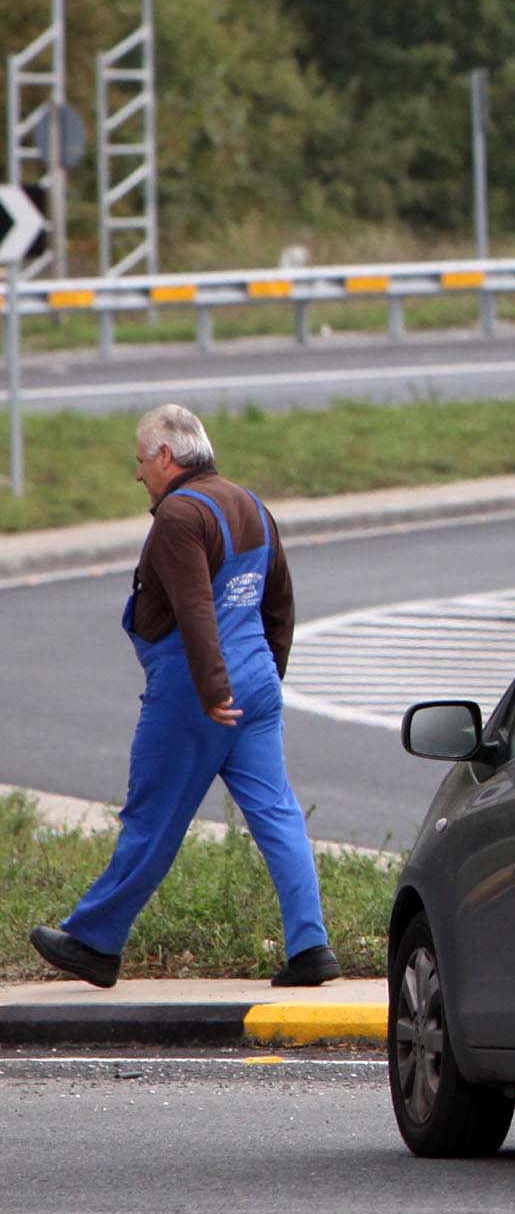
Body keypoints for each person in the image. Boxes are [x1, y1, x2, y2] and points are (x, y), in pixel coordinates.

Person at [27, 405, 335, 990]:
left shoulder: (178, 515)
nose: (138, 474)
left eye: (141, 461)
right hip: (256, 683)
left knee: (152, 817)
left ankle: (94, 943)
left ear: (165, 456)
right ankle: (310, 945)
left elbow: (195, 606)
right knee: (278, 815)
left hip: (196, 689)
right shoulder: (252, 505)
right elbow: (280, 604)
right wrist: (265, 680)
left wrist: (215, 689)